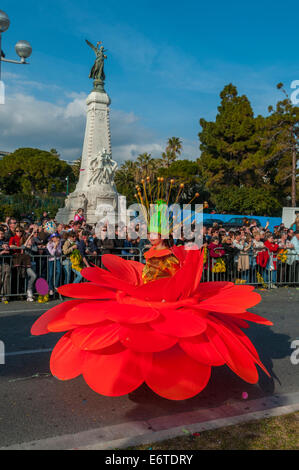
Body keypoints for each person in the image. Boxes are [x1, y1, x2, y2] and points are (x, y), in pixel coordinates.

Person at [31, 190, 272, 402]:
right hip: (145, 299)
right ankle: (142, 373)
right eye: (150, 232)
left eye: (155, 233)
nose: (150, 236)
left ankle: (156, 376)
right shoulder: (149, 253)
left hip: (167, 303)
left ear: (163, 235)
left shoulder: (168, 254)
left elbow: (172, 279)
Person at [0, 228, 11, 302]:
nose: (1, 235)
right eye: (0, 233)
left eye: (2, 233)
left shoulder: (3, 241)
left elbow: (8, 248)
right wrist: (1, 252)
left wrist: (7, 247)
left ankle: (4, 295)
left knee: (7, 274)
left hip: (3, 262)